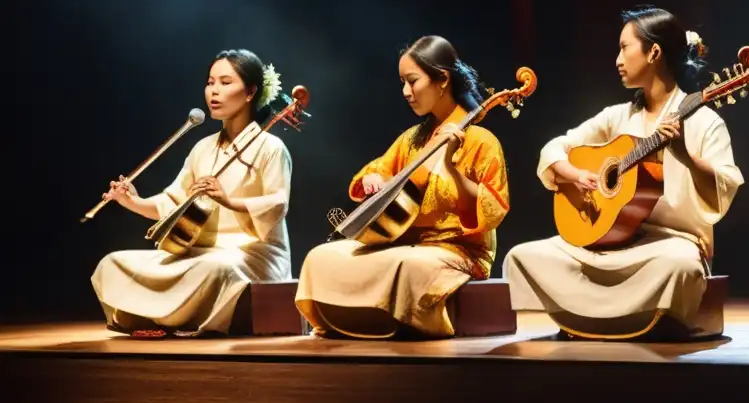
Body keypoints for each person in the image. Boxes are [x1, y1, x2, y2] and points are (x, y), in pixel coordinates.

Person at [503, 6, 744, 340]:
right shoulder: (617, 117)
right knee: (522, 257)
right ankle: (611, 319)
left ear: (654, 52)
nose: (617, 58)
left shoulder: (703, 120)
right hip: (609, 245)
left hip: (666, 247)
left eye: (624, 47)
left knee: (680, 268)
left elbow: (725, 185)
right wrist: (572, 173)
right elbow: (554, 148)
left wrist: (685, 155)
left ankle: (598, 316)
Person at [295, 35, 509, 339]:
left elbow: (490, 210)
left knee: (409, 267)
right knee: (321, 257)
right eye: (402, 83)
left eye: (412, 81)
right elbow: (381, 168)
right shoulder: (413, 138)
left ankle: (395, 324)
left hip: (457, 251)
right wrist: (374, 179)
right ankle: (343, 321)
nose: (406, 92)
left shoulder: (481, 141)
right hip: (400, 244)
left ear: (442, 79)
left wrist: (449, 166)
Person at [92, 50, 293, 338]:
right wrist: (132, 202)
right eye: (211, 82)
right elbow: (172, 201)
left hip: (252, 256)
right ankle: (164, 319)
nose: (214, 91)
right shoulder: (203, 148)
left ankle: (166, 319)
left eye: (225, 82)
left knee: (215, 269)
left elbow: (277, 204)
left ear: (250, 92)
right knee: (113, 263)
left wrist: (227, 199)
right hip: (200, 254)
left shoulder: (271, 147)